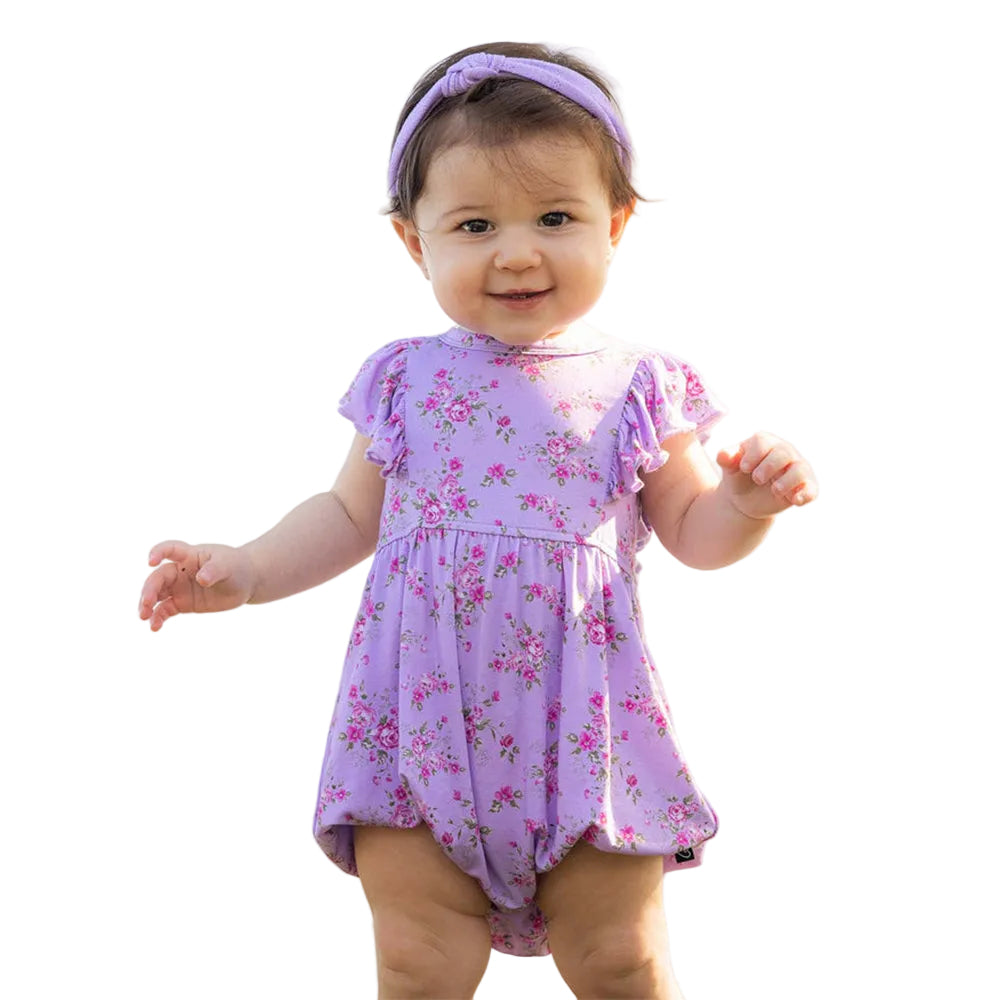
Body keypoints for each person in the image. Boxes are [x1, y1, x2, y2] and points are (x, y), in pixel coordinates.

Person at [138, 41, 818, 1000]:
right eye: (474, 224)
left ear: (616, 223)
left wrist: (745, 505)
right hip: (415, 720)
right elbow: (346, 514)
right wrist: (244, 570)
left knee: (620, 956)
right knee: (417, 958)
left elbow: (697, 534)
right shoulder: (406, 378)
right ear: (415, 243)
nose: (518, 251)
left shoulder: (637, 385)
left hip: (586, 727)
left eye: (555, 217)